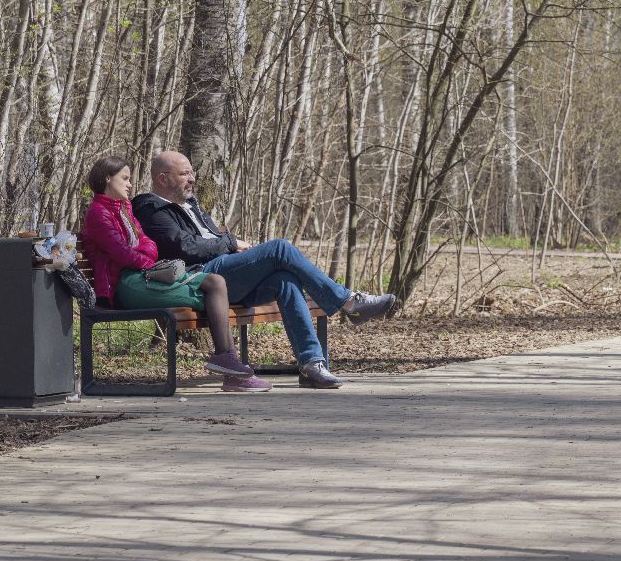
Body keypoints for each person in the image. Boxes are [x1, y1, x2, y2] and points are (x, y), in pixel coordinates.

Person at [133, 150, 398, 389]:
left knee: (284, 279)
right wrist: (231, 242)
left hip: (225, 276)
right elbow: (186, 248)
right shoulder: (150, 208)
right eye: (184, 174)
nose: (191, 178)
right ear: (163, 178)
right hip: (201, 277)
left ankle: (311, 364)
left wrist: (233, 249)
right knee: (280, 248)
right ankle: (349, 302)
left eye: (192, 172)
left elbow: (207, 240)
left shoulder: (191, 205)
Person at [80, 156, 273, 393]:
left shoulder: (125, 210)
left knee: (215, 283)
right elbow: (122, 254)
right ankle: (230, 368)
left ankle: (228, 363)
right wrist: (143, 256)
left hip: (143, 276)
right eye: (125, 178)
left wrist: (143, 254)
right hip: (125, 285)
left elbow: (149, 245)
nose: (130, 184)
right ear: (107, 179)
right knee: (215, 291)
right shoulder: (99, 214)